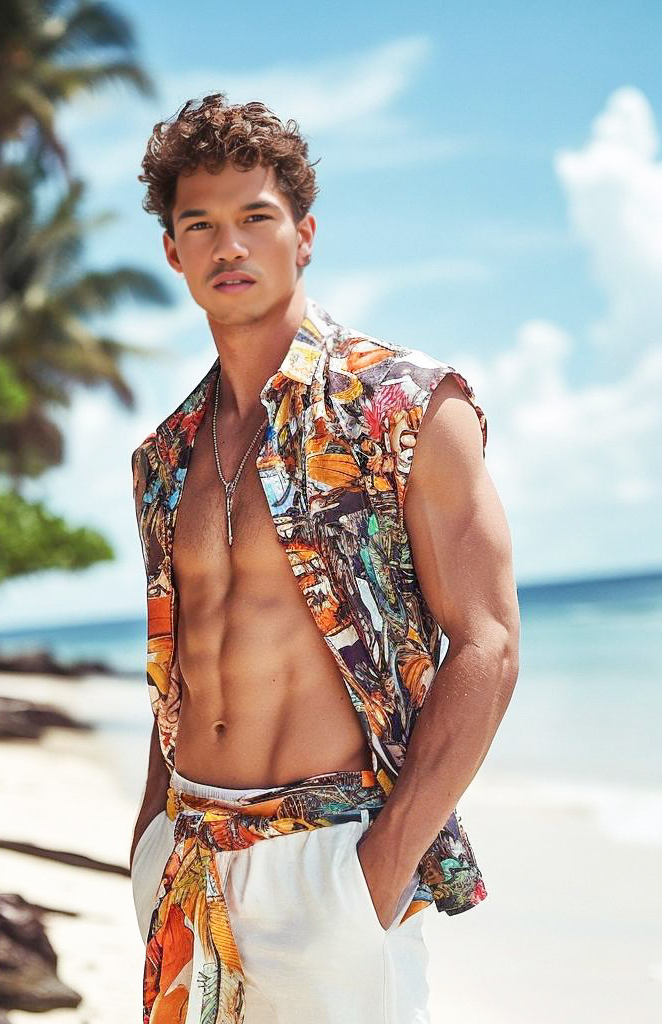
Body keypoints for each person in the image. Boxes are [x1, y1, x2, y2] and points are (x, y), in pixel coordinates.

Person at [128, 93, 520, 1024]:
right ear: (174, 253)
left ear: (303, 236)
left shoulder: (405, 407)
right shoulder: (163, 457)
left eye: (256, 219)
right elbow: (174, 666)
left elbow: (489, 642)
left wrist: (379, 873)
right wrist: (147, 836)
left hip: (334, 864)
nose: (231, 247)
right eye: (202, 225)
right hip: (186, 863)